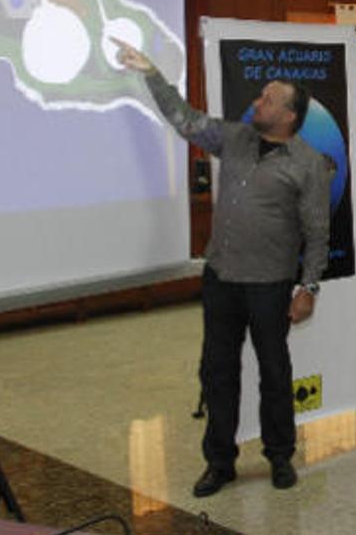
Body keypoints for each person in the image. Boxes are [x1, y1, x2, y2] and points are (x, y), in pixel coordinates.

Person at [114, 39, 332, 496]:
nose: (257, 101)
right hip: (221, 280)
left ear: (289, 115)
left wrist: (307, 287)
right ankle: (220, 462)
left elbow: (317, 232)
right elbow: (184, 119)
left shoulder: (309, 165)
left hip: (270, 285)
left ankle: (279, 456)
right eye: (259, 95)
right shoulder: (233, 138)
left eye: (268, 98)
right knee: (216, 371)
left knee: (274, 372)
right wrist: (152, 73)